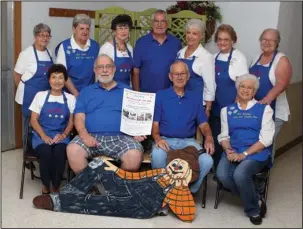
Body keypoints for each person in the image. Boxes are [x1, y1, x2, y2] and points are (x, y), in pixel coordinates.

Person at [32, 149, 199, 222]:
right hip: (126, 187)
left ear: (186, 173)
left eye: (180, 167)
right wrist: (113, 170)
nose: (175, 167)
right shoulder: (159, 171)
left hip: (138, 207)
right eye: (175, 163)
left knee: (98, 204)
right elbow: (136, 176)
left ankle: (57, 202)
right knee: (98, 163)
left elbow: (188, 216)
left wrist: (182, 186)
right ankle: (66, 195)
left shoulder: (178, 188)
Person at [66, 54, 145, 175]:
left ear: (114, 69)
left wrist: (137, 131)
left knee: (134, 155)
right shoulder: (86, 91)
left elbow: (136, 115)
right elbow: (79, 117)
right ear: (95, 70)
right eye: (100, 67)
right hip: (91, 137)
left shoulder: (128, 91)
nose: (104, 70)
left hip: (122, 138)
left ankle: (115, 188)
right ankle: (93, 187)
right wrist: (84, 135)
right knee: (73, 150)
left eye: (108, 66)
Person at [216, 74, 275, 225]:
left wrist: (244, 154)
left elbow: (266, 139)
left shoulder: (264, 110)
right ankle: (255, 196)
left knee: (240, 174)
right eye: (242, 86)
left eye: (250, 88)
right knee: (222, 175)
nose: (245, 90)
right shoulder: (227, 110)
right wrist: (228, 150)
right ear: (238, 88)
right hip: (233, 150)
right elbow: (224, 135)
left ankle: (253, 210)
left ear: (254, 91)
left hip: (256, 153)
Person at [151, 60, 215, 196]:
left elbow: (203, 124)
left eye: (183, 74)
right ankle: (166, 192)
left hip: (189, 142)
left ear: (188, 76)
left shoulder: (195, 97)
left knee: (207, 161)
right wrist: (157, 139)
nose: (179, 77)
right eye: (176, 74)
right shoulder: (161, 96)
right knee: (157, 155)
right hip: (166, 140)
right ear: (170, 77)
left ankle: (188, 192)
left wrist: (209, 137)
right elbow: (155, 124)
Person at [29, 64, 75, 194]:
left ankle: (55, 185)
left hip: (61, 135)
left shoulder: (70, 99)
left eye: (60, 78)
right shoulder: (40, 96)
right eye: (54, 77)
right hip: (41, 135)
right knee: (46, 152)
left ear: (65, 81)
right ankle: (45, 185)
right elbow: (33, 120)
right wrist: (44, 136)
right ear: (49, 80)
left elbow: (71, 122)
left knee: (60, 152)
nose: (57, 81)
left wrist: (64, 135)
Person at [210, 24, 249, 169]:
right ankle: (215, 168)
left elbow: (243, 86)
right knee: (216, 137)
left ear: (233, 40)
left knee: (228, 139)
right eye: (219, 39)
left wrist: (234, 108)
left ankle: (225, 169)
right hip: (216, 106)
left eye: (226, 39)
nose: (222, 42)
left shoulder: (239, 58)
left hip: (231, 107)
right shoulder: (214, 57)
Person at [249, 28, 292, 158]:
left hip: (274, 111)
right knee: (255, 141)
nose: (267, 42)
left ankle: (264, 173)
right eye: (264, 39)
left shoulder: (281, 60)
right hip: (256, 110)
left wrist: (267, 98)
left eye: (271, 40)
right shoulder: (257, 57)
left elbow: (281, 84)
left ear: (277, 42)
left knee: (266, 142)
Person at [14, 23, 53, 140]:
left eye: (47, 36)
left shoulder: (49, 53)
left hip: (44, 94)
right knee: (28, 124)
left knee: (42, 123)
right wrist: (25, 90)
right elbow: (16, 75)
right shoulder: (26, 54)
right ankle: (26, 150)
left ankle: (39, 148)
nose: (44, 38)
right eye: (41, 35)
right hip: (29, 94)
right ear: (35, 36)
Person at [133, 9, 182, 93]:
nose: (159, 24)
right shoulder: (141, 43)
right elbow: (135, 71)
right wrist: (137, 93)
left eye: (162, 21)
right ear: (152, 23)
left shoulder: (176, 43)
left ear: (167, 24)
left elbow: (180, 70)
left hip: (169, 94)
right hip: (146, 95)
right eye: (156, 21)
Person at [176, 19, 216, 116]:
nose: (190, 36)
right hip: (179, 100)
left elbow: (210, 85)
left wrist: (208, 107)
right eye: (188, 33)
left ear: (201, 36)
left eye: (194, 33)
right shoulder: (180, 53)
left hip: (197, 104)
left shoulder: (206, 56)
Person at [55, 14, 100, 97]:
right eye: (81, 28)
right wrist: (75, 93)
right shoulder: (64, 46)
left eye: (87, 29)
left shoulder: (95, 46)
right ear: (74, 29)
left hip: (90, 93)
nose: (85, 32)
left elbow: (99, 71)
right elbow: (62, 73)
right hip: (70, 94)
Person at [98, 14, 133, 87]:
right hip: (109, 89)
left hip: (126, 89)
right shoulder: (106, 48)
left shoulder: (130, 48)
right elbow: (99, 73)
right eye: (120, 28)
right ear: (114, 31)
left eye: (126, 28)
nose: (123, 31)